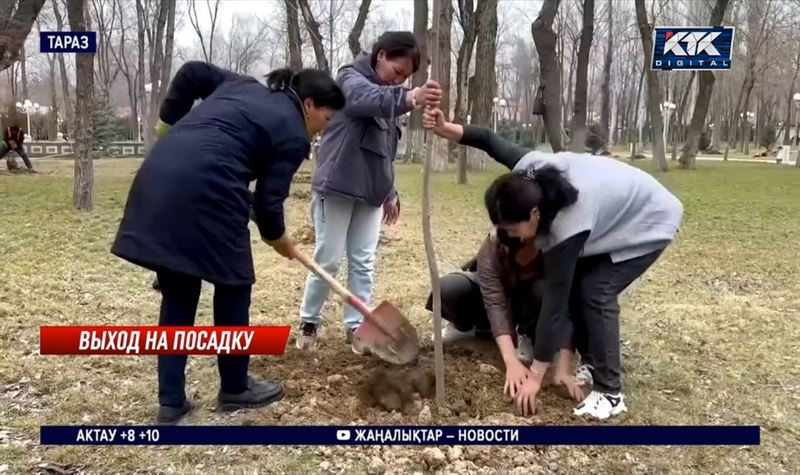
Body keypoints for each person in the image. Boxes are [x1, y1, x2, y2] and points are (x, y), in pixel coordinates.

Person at [111, 61, 345, 424]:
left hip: (159, 176)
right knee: (234, 285)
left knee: (179, 291)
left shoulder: (245, 86)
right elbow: (268, 203)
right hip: (210, 189)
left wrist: (167, 125)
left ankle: (171, 402)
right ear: (310, 104)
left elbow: (190, 73)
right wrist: (278, 239)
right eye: (328, 120)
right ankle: (235, 387)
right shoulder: (293, 132)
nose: (322, 130)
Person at [423, 107, 683, 420]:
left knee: (595, 291)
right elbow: (489, 139)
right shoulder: (529, 172)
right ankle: (591, 360)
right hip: (607, 210)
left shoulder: (566, 227)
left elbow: (556, 307)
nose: (511, 237)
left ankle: (610, 393)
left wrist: (535, 377)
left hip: (648, 219)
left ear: (535, 215)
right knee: (584, 288)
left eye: (515, 229)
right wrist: (446, 128)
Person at [296, 31, 442, 353]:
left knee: (363, 261)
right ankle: (309, 321)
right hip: (338, 185)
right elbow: (366, 101)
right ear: (381, 56)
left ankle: (356, 327)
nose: (398, 81)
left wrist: (389, 189)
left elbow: (385, 148)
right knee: (328, 259)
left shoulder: (390, 96)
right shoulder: (349, 79)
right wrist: (411, 97)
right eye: (397, 72)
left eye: (405, 78)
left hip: (372, 193)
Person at [425, 229, 592, 403]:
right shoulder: (493, 245)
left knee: (544, 293)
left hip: (532, 300)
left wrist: (563, 369)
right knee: (448, 288)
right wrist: (511, 360)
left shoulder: (556, 246)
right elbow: (494, 302)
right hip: (496, 296)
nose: (521, 260)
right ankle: (473, 329)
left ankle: (530, 336)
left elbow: (563, 306)